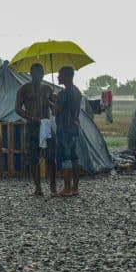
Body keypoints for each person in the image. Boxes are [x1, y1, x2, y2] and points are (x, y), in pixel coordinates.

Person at [15, 63, 56, 196]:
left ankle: (53, 186)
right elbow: (17, 108)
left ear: (44, 74)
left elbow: (54, 110)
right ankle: (38, 188)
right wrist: (31, 117)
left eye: (41, 72)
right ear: (31, 73)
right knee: (33, 158)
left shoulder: (48, 89)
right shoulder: (24, 89)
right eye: (36, 72)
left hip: (46, 126)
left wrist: (53, 103)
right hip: (32, 126)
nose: (39, 74)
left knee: (51, 157)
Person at [51, 66, 82, 196]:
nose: (58, 77)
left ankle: (67, 188)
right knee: (74, 159)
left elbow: (56, 111)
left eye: (60, 75)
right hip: (74, 128)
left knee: (66, 159)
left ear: (67, 77)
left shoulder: (63, 93)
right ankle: (75, 188)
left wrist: (52, 102)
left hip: (65, 129)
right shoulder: (77, 91)